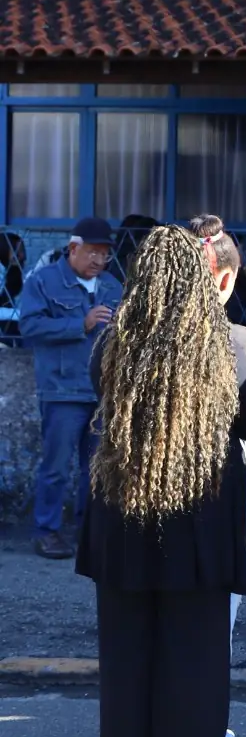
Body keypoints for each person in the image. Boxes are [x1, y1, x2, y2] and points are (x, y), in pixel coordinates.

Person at [78, 226, 246, 737]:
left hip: (122, 507)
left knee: (125, 648)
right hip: (198, 514)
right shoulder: (231, 345)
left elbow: (103, 397)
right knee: (192, 645)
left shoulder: (111, 343)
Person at [186, 216, 246, 643]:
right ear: (225, 280)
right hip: (219, 485)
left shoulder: (124, 338)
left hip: (133, 506)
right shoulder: (238, 343)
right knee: (213, 615)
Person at [17, 217, 124, 560]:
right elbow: (29, 326)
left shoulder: (111, 285)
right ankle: (46, 531)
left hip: (102, 393)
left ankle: (88, 531)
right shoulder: (44, 281)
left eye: (104, 254)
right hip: (62, 391)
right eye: (92, 252)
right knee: (56, 467)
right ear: (73, 249)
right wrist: (81, 323)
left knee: (96, 468)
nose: (98, 260)